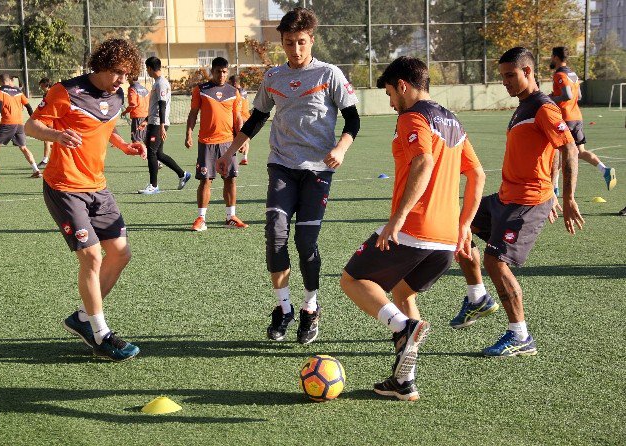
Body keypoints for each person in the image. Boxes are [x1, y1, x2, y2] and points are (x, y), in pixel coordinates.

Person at [340, 57, 485, 401]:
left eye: (390, 93)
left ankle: (402, 328)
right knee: (404, 294)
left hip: (416, 229)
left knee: (352, 279)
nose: (391, 102)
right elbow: (477, 174)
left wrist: (399, 217)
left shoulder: (412, 116)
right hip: (446, 239)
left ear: (403, 85)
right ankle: (404, 380)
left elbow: (423, 161)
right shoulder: (453, 122)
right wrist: (464, 227)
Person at [216, 7, 360, 344]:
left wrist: (340, 149)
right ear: (281, 42)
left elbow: (353, 119)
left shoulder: (330, 74)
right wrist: (229, 150)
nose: (295, 50)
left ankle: (310, 308)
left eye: (301, 42)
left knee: (305, 242)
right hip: (281, 166)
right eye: (289, 43)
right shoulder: (273, 77)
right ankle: (283, 308)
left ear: (311, 40)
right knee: (276, 235)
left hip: (317, 172)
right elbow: (257, 118)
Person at [450, 47, 584, 357]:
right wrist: (552, 188)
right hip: (505, 197)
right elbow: (547, 152)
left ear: (528, 72)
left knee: (496, 261)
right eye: (503, 77)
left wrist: (565, 197)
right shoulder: (523, 106)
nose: (506, 82)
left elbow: (569, 149)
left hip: (526, 202)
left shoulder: (543, 107)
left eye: (511, 75)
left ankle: (520, 336)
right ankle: (478, 298)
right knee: (460, 226)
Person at [25, 38, 146, 361]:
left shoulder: (118, 95)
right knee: (92, 257)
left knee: (121, 253)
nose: (122, 79)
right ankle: (100, 334)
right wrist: (56, 134)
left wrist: (124, 146)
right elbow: (31, 126)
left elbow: (103, 128)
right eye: (118, 72)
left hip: (98, 187)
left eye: (128, 74)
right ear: (101, 65)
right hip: (64, 186)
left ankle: (81, 318)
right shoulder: (65, 92)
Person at [185, 57, 248, 231]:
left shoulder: (233, 92)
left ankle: (230, 217)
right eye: (218, 71)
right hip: (207, 142)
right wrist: (189, 133)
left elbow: (237, 118)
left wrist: (242, 139)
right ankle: (201, 218)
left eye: (225, 72)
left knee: (230, 179)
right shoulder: (201, 90)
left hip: (228, 143)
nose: (222, 75)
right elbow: (193, 113)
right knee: (205, 180)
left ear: (228, 72)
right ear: (212, 71)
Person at [549, 46, 615, 193]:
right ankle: (605, 170)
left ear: (556, 57)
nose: (551, 59)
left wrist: (551, 98)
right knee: (580, 151)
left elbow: (568, 95)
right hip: (577, 117)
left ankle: (554, 188)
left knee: (557, 152)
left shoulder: (559, 74)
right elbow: (578, 96)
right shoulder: (573, 74)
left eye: (552, 56)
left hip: (565, 118)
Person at [137, 56, 191, 195]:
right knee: (158, 153)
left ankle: (153, 186)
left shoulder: (161, 83)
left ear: (149, 68)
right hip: (154, 121)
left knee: (151, 152)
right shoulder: (157, 83)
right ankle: (182, 174)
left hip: (157, 123)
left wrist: (161, 125)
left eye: (146, 69)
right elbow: (156, 105)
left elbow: (162, 105)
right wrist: (146, 120)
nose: (147, 72)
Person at [0, 73, 41, 180]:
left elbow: (0, 105)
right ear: (9, 80)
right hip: (19, 124)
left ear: (0, 81)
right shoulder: (19, 92)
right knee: (23, 147)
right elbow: (29, 107)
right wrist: (33, 119)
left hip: (7, 122)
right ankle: (36, 170)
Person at [228, 74, 251, 165]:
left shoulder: (235, 92)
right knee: (244, 138)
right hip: (247, 117)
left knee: (233, 138)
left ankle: (230, 156)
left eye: (229, 83)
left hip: (239, 118)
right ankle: (245, 158)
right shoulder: (244, 91)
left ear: (234, 83)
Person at [122, 75, 150, 144]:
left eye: (128, 78)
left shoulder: (132, 89)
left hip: (138, 116)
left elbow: (133, 104)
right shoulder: (145, 89)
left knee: (136, 139)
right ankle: (151, 154)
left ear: (131, 78)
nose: (127, 79)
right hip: (146, 116)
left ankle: (145, 154)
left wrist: (125, 111)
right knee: (145, 138)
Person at [36, 78, 53, 169]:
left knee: (47, 140)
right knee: (51, 141)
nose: (41, 88)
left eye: (42, 86)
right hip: (48, 119)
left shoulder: (52, 93)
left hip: (52, 119)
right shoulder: (46, 94)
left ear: (46, 85)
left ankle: (45, 160)